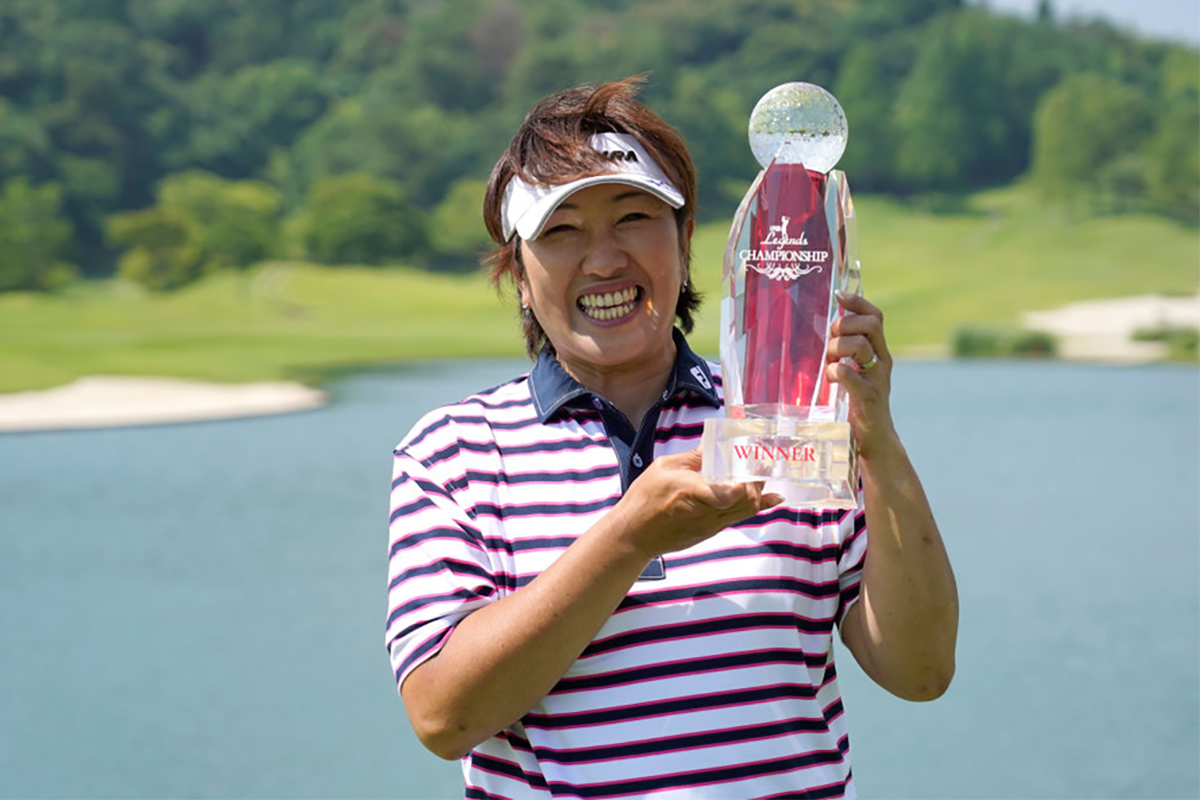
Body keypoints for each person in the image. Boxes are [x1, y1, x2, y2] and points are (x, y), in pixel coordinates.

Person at [386, 77, 958, 799]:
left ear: (685, 242)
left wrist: (876, 440)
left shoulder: (786, 420)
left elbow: (921, 670)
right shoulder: (454, 453)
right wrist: (630, 537)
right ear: (519, 275)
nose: (603, 261)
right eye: (560, 231)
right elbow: (444, 715)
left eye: (634, 217)